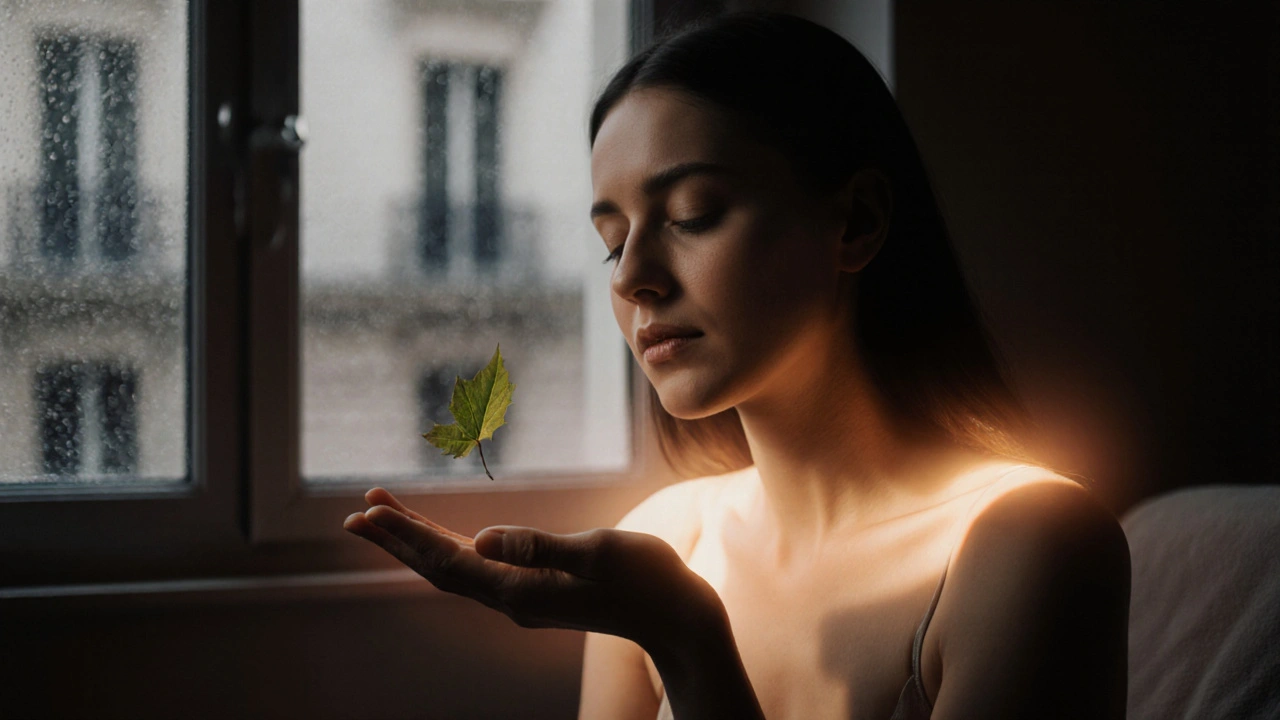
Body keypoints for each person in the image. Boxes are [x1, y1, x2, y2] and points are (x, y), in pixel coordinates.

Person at [344, 10, 1130, 720]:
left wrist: (688, 641)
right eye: (613, 240)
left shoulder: (1028, 542)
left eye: (692, 215)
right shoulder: (663, 539)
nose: (628, 277)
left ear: (855, 221)